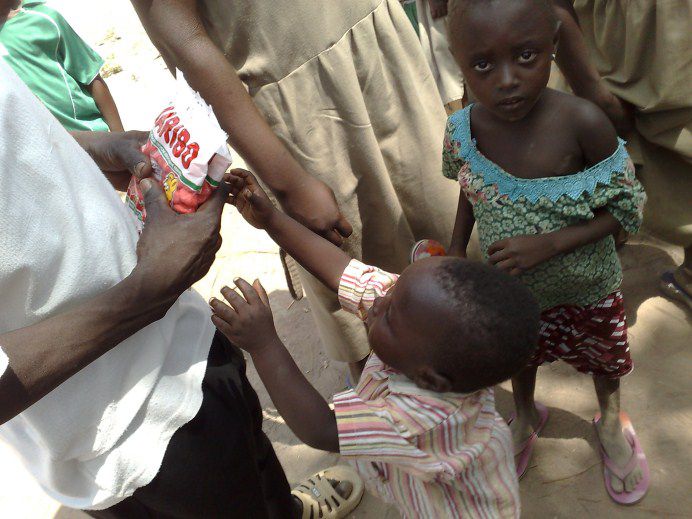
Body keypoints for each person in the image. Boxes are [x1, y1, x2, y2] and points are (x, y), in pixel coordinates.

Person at [0, 50, 356, 518]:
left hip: (188, 341)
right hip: (128, 433)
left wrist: (91, 148)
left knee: (256, 467)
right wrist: (149, 290)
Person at [130, 0, 459, 382]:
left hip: (381, 49)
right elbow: (186, 43)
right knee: (361, 296)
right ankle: (390, 420)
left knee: (447, 233)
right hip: (304, 110)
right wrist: (290, 184)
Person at [209, 169, 541, 518]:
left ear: (428, 379)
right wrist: (272, 220)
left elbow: (321, 429)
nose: (379, 300)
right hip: (422, 488)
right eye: (394, 289)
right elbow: (344, 272)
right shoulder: (416, 319)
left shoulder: (420, 417)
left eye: (390, 316)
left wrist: (263, 344)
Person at [443, 0, 649, 505]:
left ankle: (610, 424)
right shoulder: (463, 130)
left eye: (527, 56)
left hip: (588, 286)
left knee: (604, 357)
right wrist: (453, 246)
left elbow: (628, 207)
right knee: (521, 353)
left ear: (555, 45)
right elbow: (470, 188)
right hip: (512, 287)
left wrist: (551, 243)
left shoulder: (584, 122)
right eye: (483, 65)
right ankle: (527, 415)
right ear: (459, 63)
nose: (507, 80)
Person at [549, 0, 692, 311]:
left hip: (671, 42)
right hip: (611, 44)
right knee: (601, 146)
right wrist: (588, 84)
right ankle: (604, 241)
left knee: (680, 147)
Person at [0, 0, 123, 131]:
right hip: (44, 147)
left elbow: (90, 77)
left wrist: (120, 135)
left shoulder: (43, 18)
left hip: (90, 136)